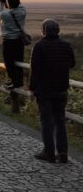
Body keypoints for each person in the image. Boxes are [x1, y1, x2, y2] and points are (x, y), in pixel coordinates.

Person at [30, 19, 75, 163]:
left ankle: (48, 152)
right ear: (58, 30)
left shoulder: (39, 46)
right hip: (61, 88)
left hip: (44, 89)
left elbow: (34, 70)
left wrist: (32, 88)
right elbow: (72, 63)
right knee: (60, 121)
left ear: (43, 30)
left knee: (46, 121)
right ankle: (63, 153)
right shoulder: (66, 45)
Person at [0, 0, 27, 89]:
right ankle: (19, 81)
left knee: (8, 62)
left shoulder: (4, 15)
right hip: (19, 41)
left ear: (8, 4)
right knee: (19, 60)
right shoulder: (22, 12)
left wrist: (2, 3)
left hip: (8, 41)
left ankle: (13, 81)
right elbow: (19, 4)